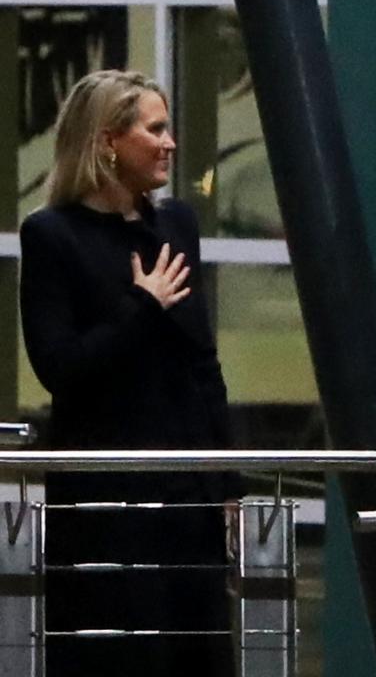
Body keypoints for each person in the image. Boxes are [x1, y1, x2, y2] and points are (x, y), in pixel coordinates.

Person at [19, 70, 240, 677]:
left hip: (184, 490)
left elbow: (202, 361)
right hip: (104, 500)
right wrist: (142, 307)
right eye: (156, 128)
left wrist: (227, 480)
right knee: (114, 654)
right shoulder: (51, 235)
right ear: (108, 141)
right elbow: (60, 368)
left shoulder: (176, 226)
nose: (171, 143)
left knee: (196, 653)